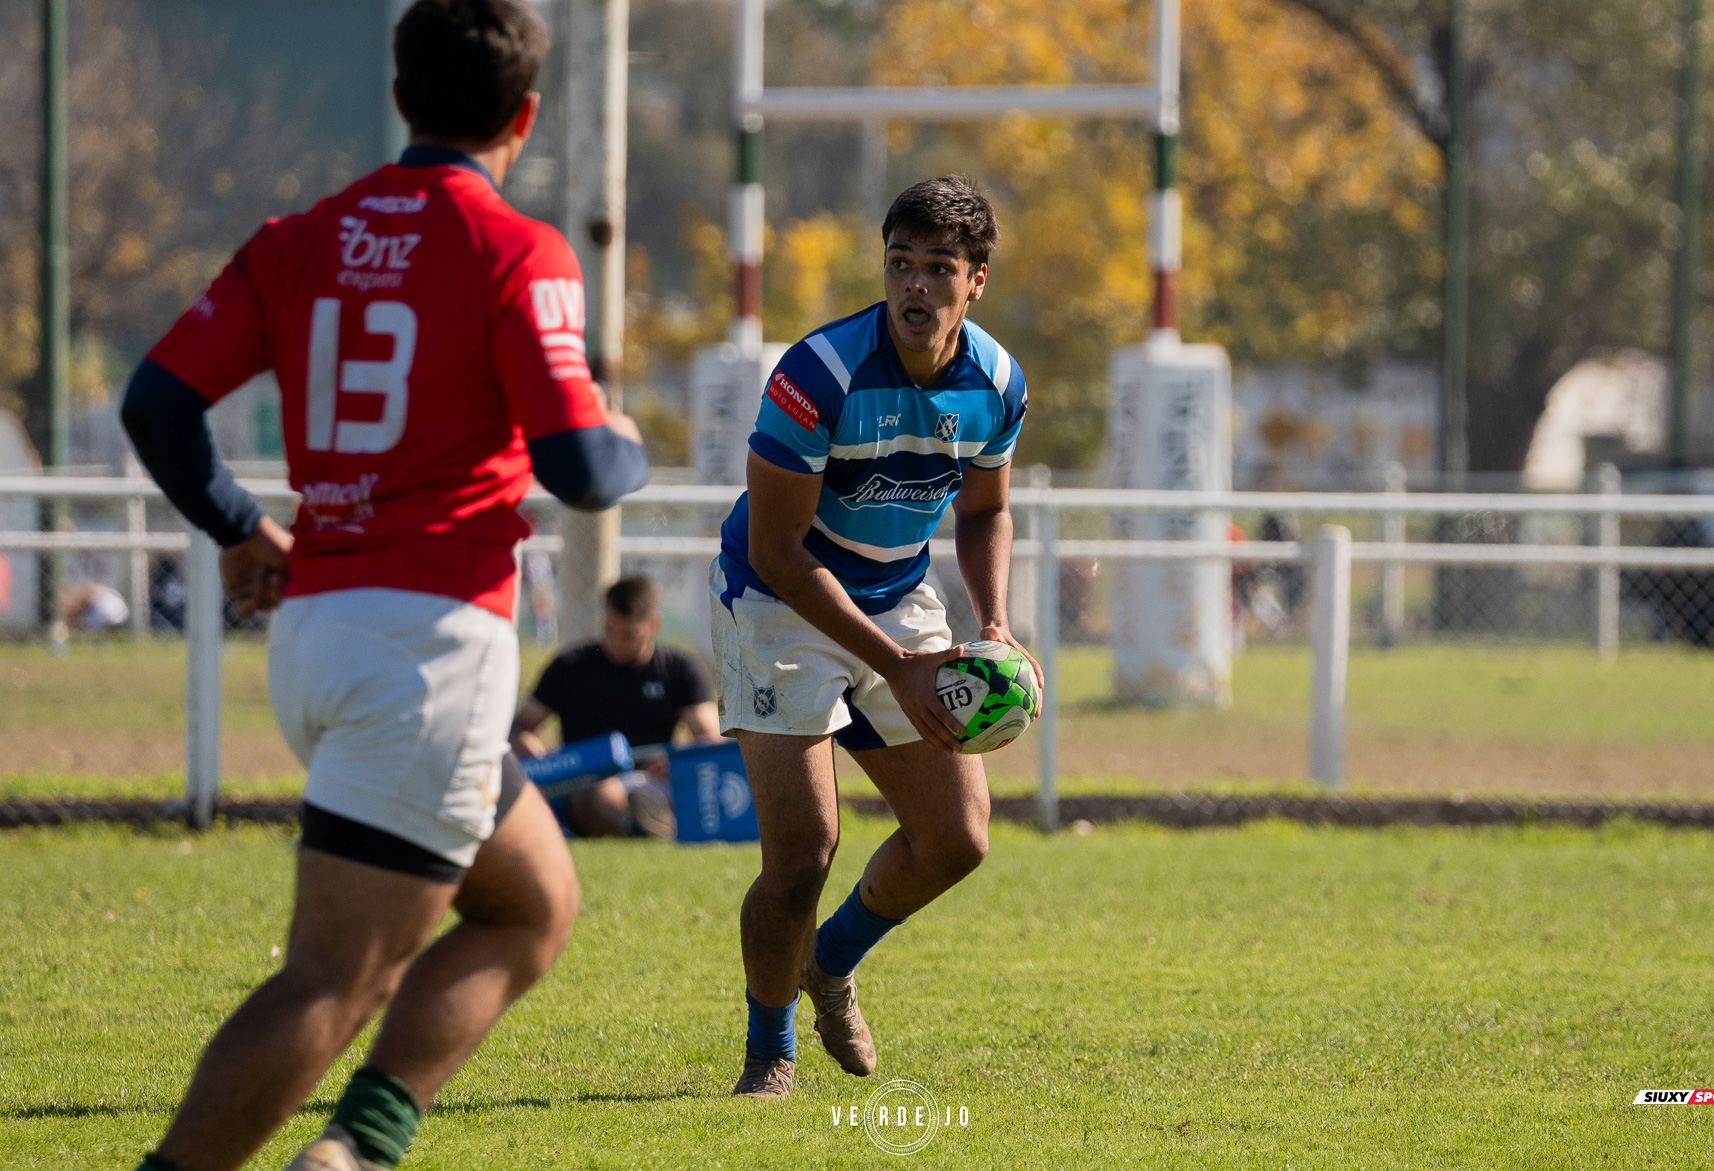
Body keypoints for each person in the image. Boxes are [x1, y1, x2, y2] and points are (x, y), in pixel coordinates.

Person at [117, 3, 648, 1168]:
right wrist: (626, 433)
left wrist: (240, 525)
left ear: (401, 97)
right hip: (427, 651)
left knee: (532, 903)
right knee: (338, 979)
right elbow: (580, 467)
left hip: (320, 633)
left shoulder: (298, 236)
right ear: (527, 115)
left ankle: (353, 1148)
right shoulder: (517, 248)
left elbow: (156, 405)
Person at [710, 176, 1038, 1098]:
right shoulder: (817, 375)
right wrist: (900, 666)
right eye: (902, 263)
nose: (916, 286)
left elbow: (985, 512)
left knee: (958, 838)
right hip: (776, 602)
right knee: (804, 850)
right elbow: (777, 550)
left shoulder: (998, 383)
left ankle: (830, 963)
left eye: (940, 268)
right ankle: (769, 1048)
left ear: (977, 279)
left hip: (897, 598)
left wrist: (995, 625)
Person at [511, 574, 720, 838]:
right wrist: (529, 745)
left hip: (652, 780)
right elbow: (519, 727)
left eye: (629, 635)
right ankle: (650, 829)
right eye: (610, 630)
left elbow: (709, 740)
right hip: (587, 778)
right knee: (599, 795)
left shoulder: (679, 669)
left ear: (654, 624)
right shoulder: (571, 666)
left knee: (696, 785)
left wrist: (674, 761)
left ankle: (649, 824)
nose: (616, 642)